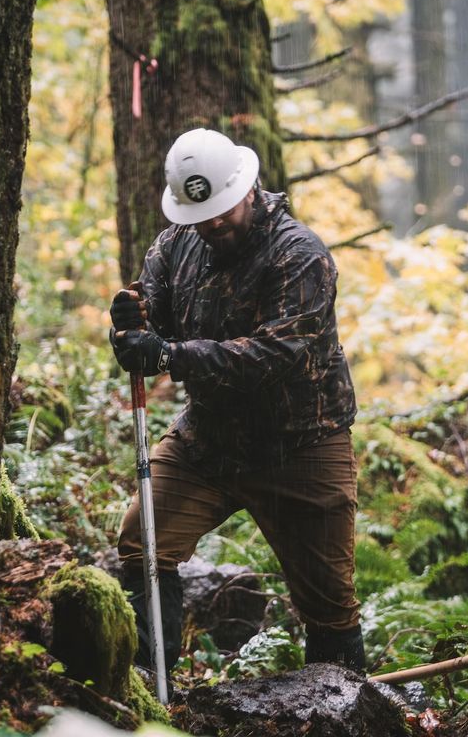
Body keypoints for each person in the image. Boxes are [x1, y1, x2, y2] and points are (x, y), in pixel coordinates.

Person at [110, 128, 363, 675]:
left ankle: (345, 706)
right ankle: (153, 692)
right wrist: (130, 330)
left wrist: (169, 354)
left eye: (223, 209)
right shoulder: (174, 246)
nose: (214, 223)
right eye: (202, 214)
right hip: (209, 441)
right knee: (142, 545)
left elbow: (275, 356)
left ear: (247, 189)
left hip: (303, 446)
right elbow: (147, 315)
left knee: (329, 606)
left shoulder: (300, 255)